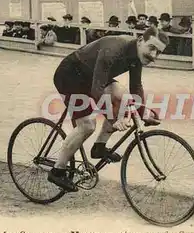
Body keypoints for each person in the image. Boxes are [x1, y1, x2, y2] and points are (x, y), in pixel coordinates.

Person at [48, 27, 166, 191]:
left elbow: (136, 86)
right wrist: (113, 119)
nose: (153, 56)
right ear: (140, 41)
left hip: (92, 76)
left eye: (158, 52)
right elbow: (97, 91)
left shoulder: (137, 54)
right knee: (87, 126)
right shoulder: (114, 49)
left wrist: (141, 113)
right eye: (152, 48)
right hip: (70, 75)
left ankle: (99, 147)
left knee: (124, 98)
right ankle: (57, 171)